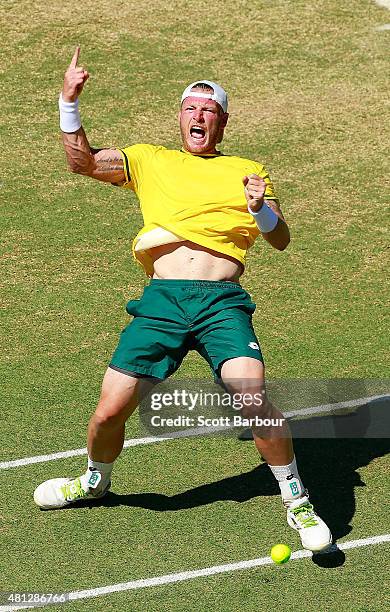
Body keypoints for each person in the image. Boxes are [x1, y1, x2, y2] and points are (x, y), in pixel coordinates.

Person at [34, 47, 332, 553]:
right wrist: (69, 102)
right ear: (180, 116)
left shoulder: (247, 169)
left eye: (209, 109)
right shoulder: (150, 160)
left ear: (222, 121)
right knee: (108, 414)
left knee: (253, 399)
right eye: (190, 107)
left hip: (221, 302)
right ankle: (94, 480)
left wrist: (260, 210)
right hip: (162, 302)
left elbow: (280, 239)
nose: (198, 116)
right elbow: (82, 162)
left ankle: (297, 499)